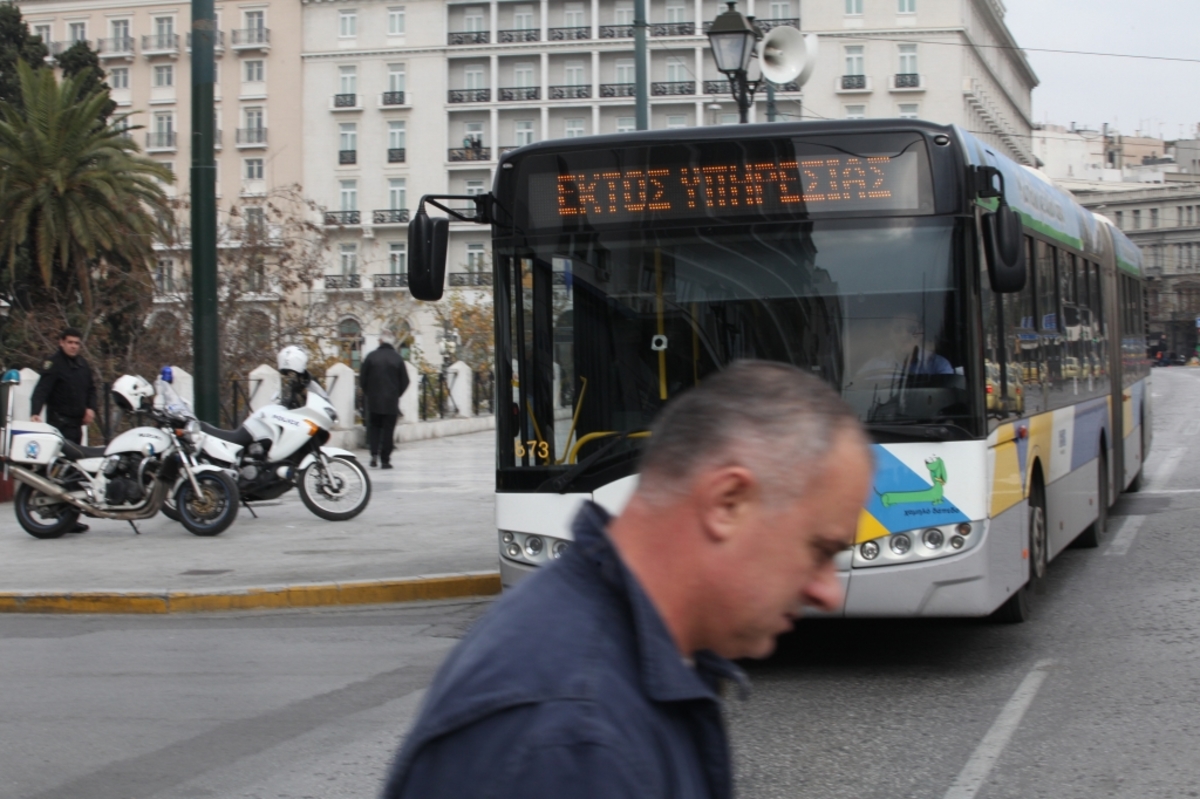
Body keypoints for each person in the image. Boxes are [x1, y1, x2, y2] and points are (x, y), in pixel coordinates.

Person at [382, 360, 872, 799]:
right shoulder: (574, 742)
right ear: (728, 504)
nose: (827, 593)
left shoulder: (629, 656)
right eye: (819, 550)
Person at [31, 328, 98, 533]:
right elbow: (41, 390)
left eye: (77, 343)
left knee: (75, 472)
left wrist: (91, 409)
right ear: (61, 342)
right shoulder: (54, 365)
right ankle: (62, 516)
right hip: (59, 426)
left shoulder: (82, 364)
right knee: (62, 472)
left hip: (76, 427)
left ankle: (71, 517)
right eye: (70, 342)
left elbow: (92, 390)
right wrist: (35, 413)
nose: (73, 346)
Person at [359, 332, 410, 469]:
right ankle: (385, 460)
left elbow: (362, 379)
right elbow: (405, 381)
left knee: (374, 427)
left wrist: (369, 393)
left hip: (374, 400)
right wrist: (396, 394)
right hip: (391, 402)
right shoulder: (398, 358)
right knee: (388, 430)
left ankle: (374, 455)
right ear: (392, 342)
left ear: (380, 341)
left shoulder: (371, 357)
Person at [854, 312, 953, 381]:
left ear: (920, 333)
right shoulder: (873, 367)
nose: (904, 334)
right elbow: (857, 390)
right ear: (890, 334)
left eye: (911, 329)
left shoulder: (939, 365)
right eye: (898, 329)